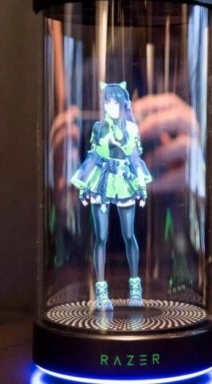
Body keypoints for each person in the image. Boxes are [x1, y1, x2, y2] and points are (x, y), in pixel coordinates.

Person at [70, 82, 152, 310]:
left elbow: (134, 159)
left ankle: (135, 288)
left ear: (123, 104)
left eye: (115, 102)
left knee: (129, 235)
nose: (110, 107)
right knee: (101, 237)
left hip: (124, 180)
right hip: (102, 181)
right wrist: (84, 186)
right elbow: (93, 157)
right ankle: (101, 291)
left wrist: (141, 186)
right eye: (107, 102)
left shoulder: (131, 129)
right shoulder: (99, 128)